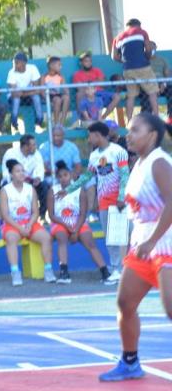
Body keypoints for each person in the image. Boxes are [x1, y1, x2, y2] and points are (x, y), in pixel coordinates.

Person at [98, 113, 172, 382]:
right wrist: (143, 240)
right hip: (143, 244)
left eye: (135, 130)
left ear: (152, 135)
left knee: (171, 309)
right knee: (125, 303)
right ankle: (130, 362)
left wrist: (152, 240)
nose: (128, 135)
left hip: (165, 242)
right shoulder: (138, 164)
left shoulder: (160, 162)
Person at [57, 121, 130, 283]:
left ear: (98, 135)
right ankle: (115, 268)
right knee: (109, 237)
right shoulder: (94, 155)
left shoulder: (118, 151)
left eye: (90, 135)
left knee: (120, 236)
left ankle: (123, 269)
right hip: (104, 201)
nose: (88, 139)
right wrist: (68, 189)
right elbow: (88, 176)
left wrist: (121, 197)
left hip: (118, 201)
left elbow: (125, 175)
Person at [47, 160, 112, 285]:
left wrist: (75, 229)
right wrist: (67, 227)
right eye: (60, 176)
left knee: (90, 242)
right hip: (60, 222)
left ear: (71, 175)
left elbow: (83, 213)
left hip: (78, 222)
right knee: (61, 238)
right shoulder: (53, 191)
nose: (63, 179)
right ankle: (64, 272)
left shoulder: (80, 190)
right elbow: (51, 215)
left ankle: (104, 271)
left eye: (65, 175)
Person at [0, 159, 57, 286]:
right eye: (17, 171)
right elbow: (5, 215)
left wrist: (29, 225)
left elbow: (35, 212)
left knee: (46, 238)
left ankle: (48, 269)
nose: (21, 173)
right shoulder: (5, 190)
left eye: (22, 171)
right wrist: (20, 228)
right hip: (12, 223)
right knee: (11, 239)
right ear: (11, 174)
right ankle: (15, 272)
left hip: (29, 222)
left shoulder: (30, 189)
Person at [113, 18, 158, 120]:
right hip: (143, 67)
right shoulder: (142, 32)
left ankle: (129, 121)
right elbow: (148, 49)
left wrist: (125, 61)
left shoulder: (118, 37)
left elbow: (114, 56)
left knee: (131, 96)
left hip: (128, 70)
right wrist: (147, 57)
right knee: (152, 92)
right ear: (138, 25)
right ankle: (157, 118)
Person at [1, 134, 48, 214]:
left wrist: (38, 178)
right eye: (33, 145)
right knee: (5, 186)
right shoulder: (10, 153)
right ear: (25, 146)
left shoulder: (37, 154)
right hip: (13, 182)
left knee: (44, 185)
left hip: (30, 183)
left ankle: (40, 215)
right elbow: (6, 173)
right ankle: (9, 215)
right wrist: (19, 180)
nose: (35, 147)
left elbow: (39, 170)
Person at [6, 52, 44, 131]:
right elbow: (14, 93)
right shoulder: (11, 72)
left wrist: (23, 93)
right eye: (14, 63)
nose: (15, 65)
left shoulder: (32, 68)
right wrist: (28, 92)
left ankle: (39, 119)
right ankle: (14, 121)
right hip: (14, 97)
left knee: (36, 97)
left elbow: (37, 89)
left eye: (17, 63)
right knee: (16, 99)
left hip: (28, 96)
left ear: (24, 63)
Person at [139, 40, 172, 119]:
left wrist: (164, 84)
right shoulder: (142, 61)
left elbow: (168, 74)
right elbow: (140, 75)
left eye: (152, 47)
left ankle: (170, 119)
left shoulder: (162, 60)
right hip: (148, 85)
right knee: (146, 99)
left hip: (162, 85)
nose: (151, 49)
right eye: (149, 47)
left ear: (156, 48)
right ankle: (146, 121)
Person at [43, 56, 70, 126]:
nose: (61, 67)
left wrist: (67, 92)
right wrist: (47, 101)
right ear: (51, 66)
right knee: (57, 100)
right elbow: (41, 91)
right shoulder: (44, 77)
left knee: (66, 98)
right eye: (59, 65)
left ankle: (62, 123)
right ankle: (56, 123)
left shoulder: (60, 76)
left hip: (58, 94)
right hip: (49, 96)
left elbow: (65, 88)